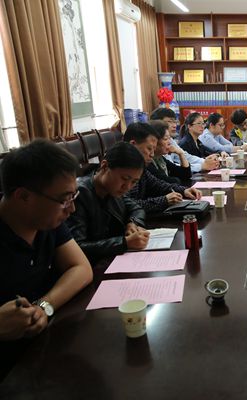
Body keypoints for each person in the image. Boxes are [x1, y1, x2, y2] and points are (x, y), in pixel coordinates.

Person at [0, 140, 92, 378]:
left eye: (74, 196)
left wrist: (44, 306)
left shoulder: (46, 220)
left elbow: (81, 268)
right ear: (23, 196)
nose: (71, 209)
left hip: (46, 350)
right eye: (64, 199)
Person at [66, 142, 149, 264]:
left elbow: (136, 208)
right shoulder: (79, 194)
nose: (127, 187)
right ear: (105, 166)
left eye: (134, 182)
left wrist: (132, 223)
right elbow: (76, 247)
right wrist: (124, 243)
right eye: (125, 179)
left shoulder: (113, 190)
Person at [124, 122, 202, 213]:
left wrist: (184, 191)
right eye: (149, 149)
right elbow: (128, 205)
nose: (152, 154)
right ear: (133, 144)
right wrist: (164, 200)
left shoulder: (140, 166)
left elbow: (159, 185)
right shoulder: (122, 166)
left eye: (153, 149)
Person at [149, 108, 218, 172]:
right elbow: (173, 168)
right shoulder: (158, 146)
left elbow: (186, 156)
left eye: (175, 122)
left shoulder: (171, 140)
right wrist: (202, 166)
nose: (174, 125)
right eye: (170, 122)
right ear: (157, 123)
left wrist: (206, 161)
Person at [147, 120, 192, 184]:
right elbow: (168, 181)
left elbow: (186, 175)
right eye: (165, 139)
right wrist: (176, 179)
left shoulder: (160, 158)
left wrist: (181, 154)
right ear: (154, 141)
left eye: (169, 138)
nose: (169, 142)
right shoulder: (148, 162)